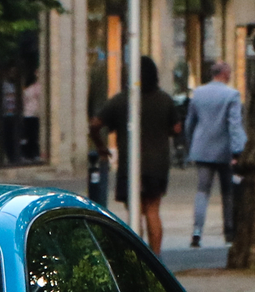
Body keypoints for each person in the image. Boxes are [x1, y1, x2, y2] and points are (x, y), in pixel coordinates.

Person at [92, 56, 180, 250]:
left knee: (134, 211)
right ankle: (155, 256)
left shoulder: (122, 100)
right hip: (157, 164)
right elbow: (177, 128)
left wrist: (101, 147)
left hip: (129, 164)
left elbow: (95, 124)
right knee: (152, 210)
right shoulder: (164, 100)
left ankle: (138, 255)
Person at [180, 59, 244, 248]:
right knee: (228, 192)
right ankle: (229, 232)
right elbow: (234, 125)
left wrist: (190, 144)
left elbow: (189, 123)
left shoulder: (198, 93)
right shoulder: (232, 95)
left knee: (202, 191)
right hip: (224, 150)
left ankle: (197, 232)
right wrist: (238, 150)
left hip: (202, 149)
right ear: (225, 74)